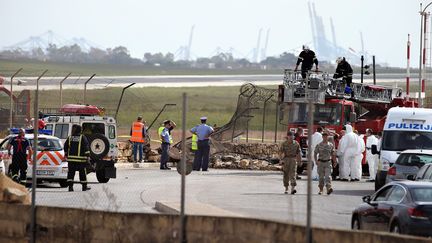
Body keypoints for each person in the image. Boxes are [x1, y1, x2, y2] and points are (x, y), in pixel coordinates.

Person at [64, 125, 91, 191]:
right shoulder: (82, 137)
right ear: (80, 130)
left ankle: (70, 187)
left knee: (71, 173)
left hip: (71, 160)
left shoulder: (70, 137)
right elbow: (86, 147)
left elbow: (65, 146)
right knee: (82, 173)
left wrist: (67, 154)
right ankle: (84, 187)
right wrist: (88, 156)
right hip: (81, 160)